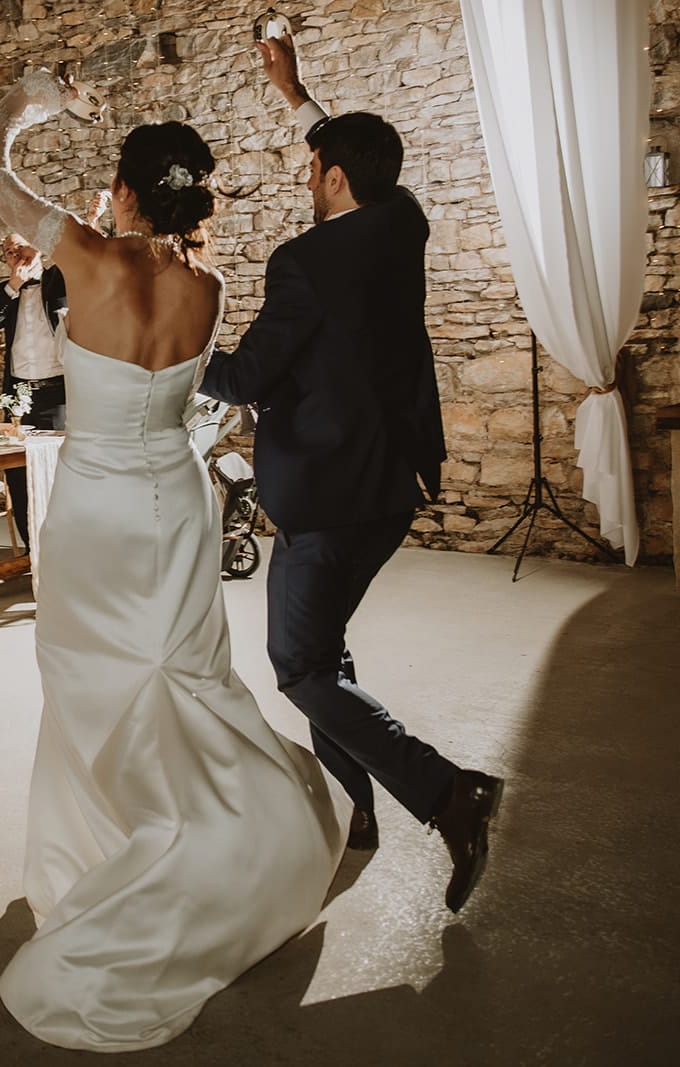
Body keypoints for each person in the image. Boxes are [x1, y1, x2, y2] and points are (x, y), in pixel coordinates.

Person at [0, 69, 348, 1051]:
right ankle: (192, 835)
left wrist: (31, 100)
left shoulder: (84, 256)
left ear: (126, 190)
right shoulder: (208, 287)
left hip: (96, 505)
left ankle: (131, 854)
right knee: (181, 679)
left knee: (92, 682)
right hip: (175, 499)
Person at [199, 35, 503, 910]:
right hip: (388, 490)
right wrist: (299, 98)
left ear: (334, 177)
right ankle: (350, 806)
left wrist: (178, 338)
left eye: (313, 167)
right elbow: (365, 160)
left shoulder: (305, 262)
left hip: (324, 499)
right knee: (324, 650)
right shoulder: (402, 221)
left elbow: (245, 378)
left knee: (299, 667)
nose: (306, 178)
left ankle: (449, 792)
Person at [0, 232, 67, 547]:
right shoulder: (10, 294)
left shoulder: (60, 278)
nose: (15, 255)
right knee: (18, 474)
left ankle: (62, 549)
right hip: (19, 397)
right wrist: (13, 287)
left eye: (19, 247)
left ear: (38, 245)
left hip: (57, 393)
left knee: (58, 474)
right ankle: (32, 548)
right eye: (7, 252)